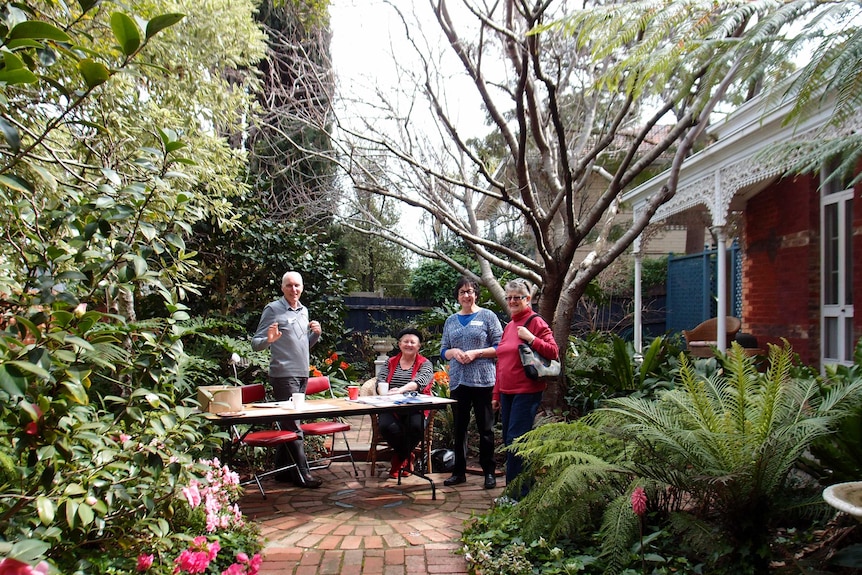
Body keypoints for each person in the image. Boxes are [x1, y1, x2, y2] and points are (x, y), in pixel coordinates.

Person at [251, 271, 323, 489]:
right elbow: (256, 343)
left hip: (302, 374)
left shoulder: (304, 311)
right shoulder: (273, 309)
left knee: (288, 422)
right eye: (289, 285)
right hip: (283, 375)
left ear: (302, 287)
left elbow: (301, 346)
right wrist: (269, 340)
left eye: (297, 285)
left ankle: (282, 472)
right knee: (294, 424)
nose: (294, 290)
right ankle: (304, 474)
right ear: (282, 288)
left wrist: (316, 336)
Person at [492, 278, 558, 499]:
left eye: (517, 297)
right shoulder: (509, 326)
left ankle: (516, 494)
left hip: (526, 391)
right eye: (509, 298)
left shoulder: (535, 322)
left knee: (516, 440)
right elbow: (501, 361)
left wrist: (531, 338)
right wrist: (496, 394)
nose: (512, 301)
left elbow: (553, 352)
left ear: (527, 299)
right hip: (507, 393)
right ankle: (522, 491)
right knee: (512, 441)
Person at [440, 277, 503, 489]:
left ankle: (489, 472)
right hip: (459, 382)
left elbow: (499, 347)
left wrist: (477, 353)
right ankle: (459, 472)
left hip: (483, 381)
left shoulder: (488, 316)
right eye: (462, 292)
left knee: (486, 429)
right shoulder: (450, 321)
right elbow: (443, 350)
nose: (466, 295)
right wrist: (453, 352)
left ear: (476, 293)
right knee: (459, 429)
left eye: (469, 291)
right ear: (457, 297)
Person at [377, 328, 435, 479]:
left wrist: (400, 390)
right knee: (386, 427)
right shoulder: (390, 362)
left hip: (416, 407)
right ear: (399, 344)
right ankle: (407, 456)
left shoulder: (425, 364)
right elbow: (381, 380)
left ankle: (398, 461)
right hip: (391, 406)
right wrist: (383, 390)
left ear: (418, 346)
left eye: (412, 342)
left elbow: (420, 382)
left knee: (415, 427)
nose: (409, 345)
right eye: (405, 341)